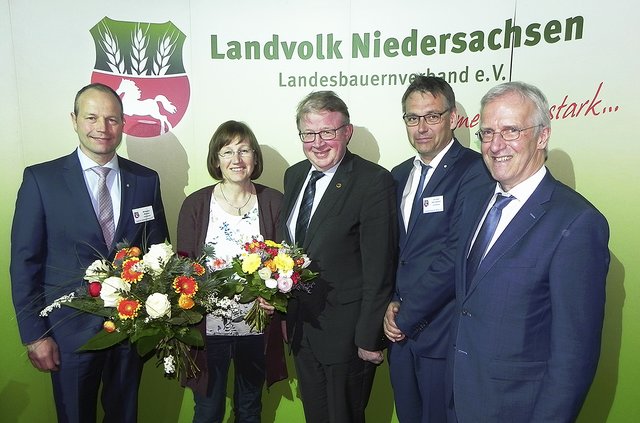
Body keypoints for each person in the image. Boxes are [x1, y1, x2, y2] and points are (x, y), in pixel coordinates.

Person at [446, 81, 610, 422]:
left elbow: (574, 355)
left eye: (510, 130)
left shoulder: (578, 223)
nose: (495, 145)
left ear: (543, 136)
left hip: (519, 409)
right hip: (461, 398)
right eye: (487, 132)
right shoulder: (477, 200)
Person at [10, 82, 169, 423]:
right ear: (74, 120)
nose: (102, 128)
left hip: (131, 331)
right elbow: (25, 263)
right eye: (92, 117)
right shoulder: (42, 180)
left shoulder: (145, 180)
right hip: (69, 335)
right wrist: (35, 336)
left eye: (112, 119)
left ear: (124, 124)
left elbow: (159, 253)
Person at [281, 90, 397, 423]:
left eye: (328, 132)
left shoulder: (373, 182)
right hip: (303, 330)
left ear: (347, 132)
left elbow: (380, 268)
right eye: (309, 134)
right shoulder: (294, 175)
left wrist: (368, 338)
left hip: (347, 337)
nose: (318, 142)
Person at [382, 75, 493, 422]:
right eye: (412, 118)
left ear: (452, 117)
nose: (422, 127)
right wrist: (388, 307)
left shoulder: (475, 170)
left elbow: (456, 253)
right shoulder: (398, 174)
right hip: (398, 334)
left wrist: (406, 314)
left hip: (440, 332)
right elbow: (392, 250)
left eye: (431, 116)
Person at [177, 120, 287, 423]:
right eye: (227, 152)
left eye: (244, 151)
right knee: (208, 410)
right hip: (207, 329)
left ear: (254, 157)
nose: (236, 160)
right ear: (216, 160)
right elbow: (183, 267)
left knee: (250, 409)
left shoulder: (274, 201)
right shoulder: (196, 205)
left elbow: (286, 263)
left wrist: (275, 296)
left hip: (256, 327)